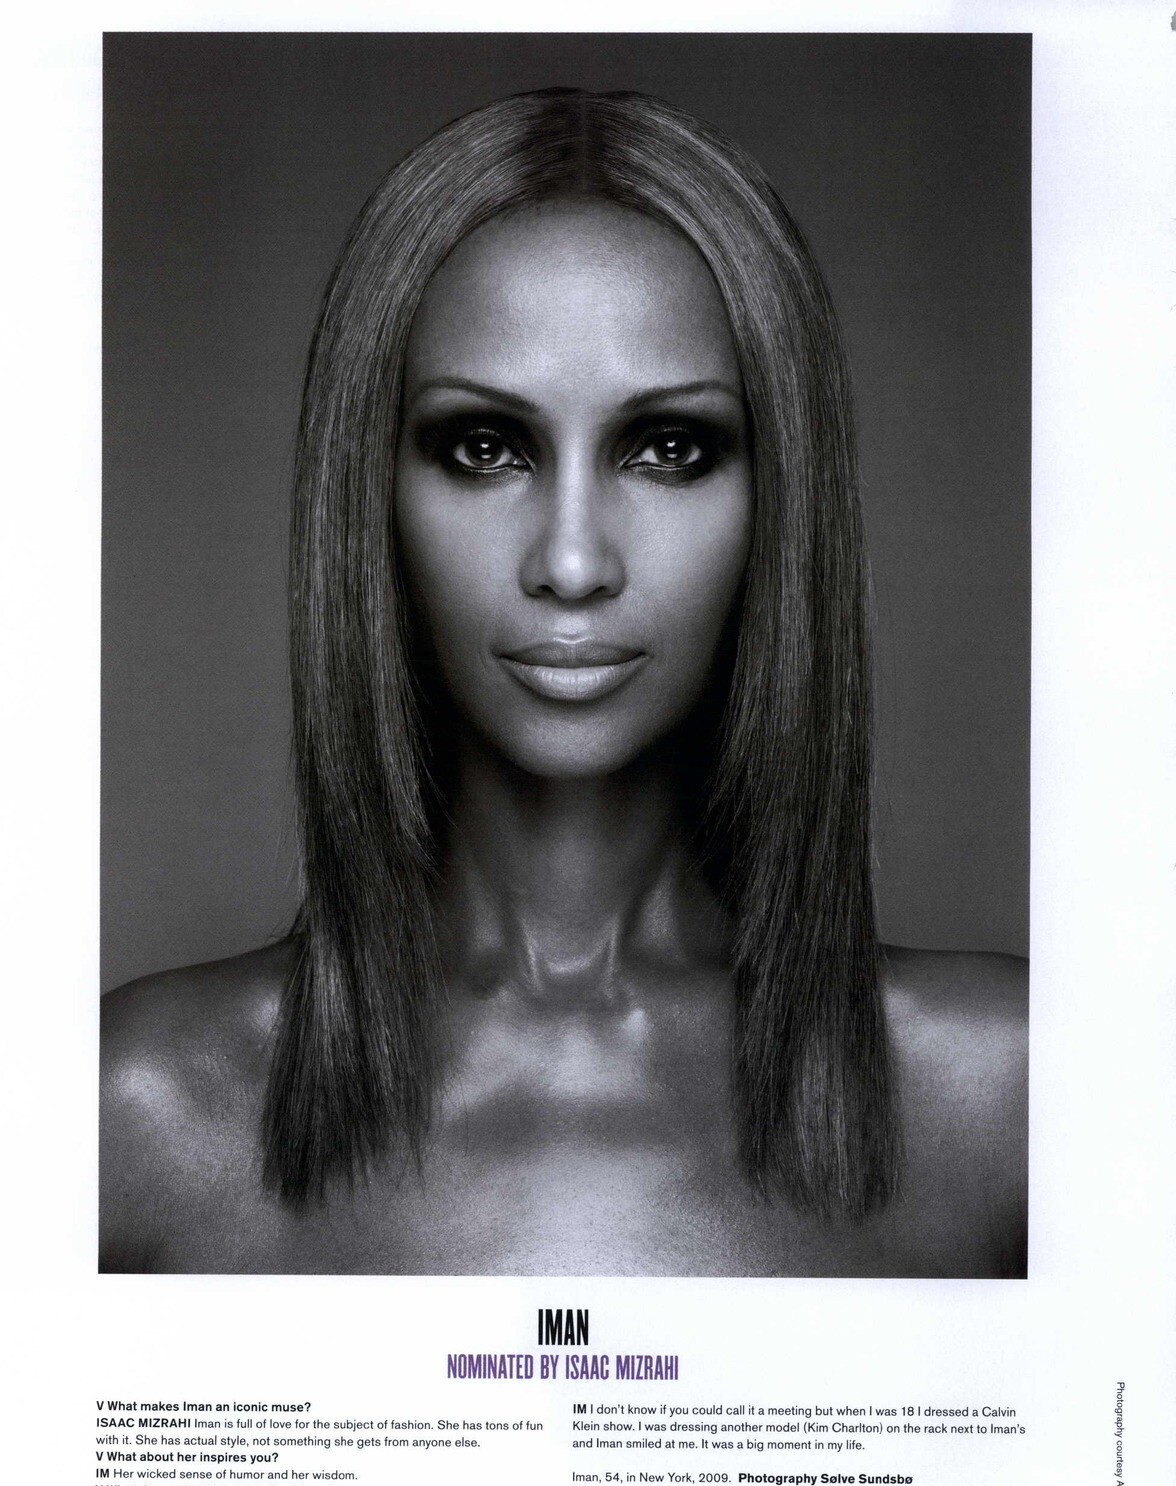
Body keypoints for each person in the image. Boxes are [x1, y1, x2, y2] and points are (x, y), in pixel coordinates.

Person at [100, 88, 1026, 1276]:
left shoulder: (1013, 1099)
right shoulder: (132, 1113)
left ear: (779, 499)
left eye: (669, 448)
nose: (574, 563)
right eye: (485, 448)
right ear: (371, 494)